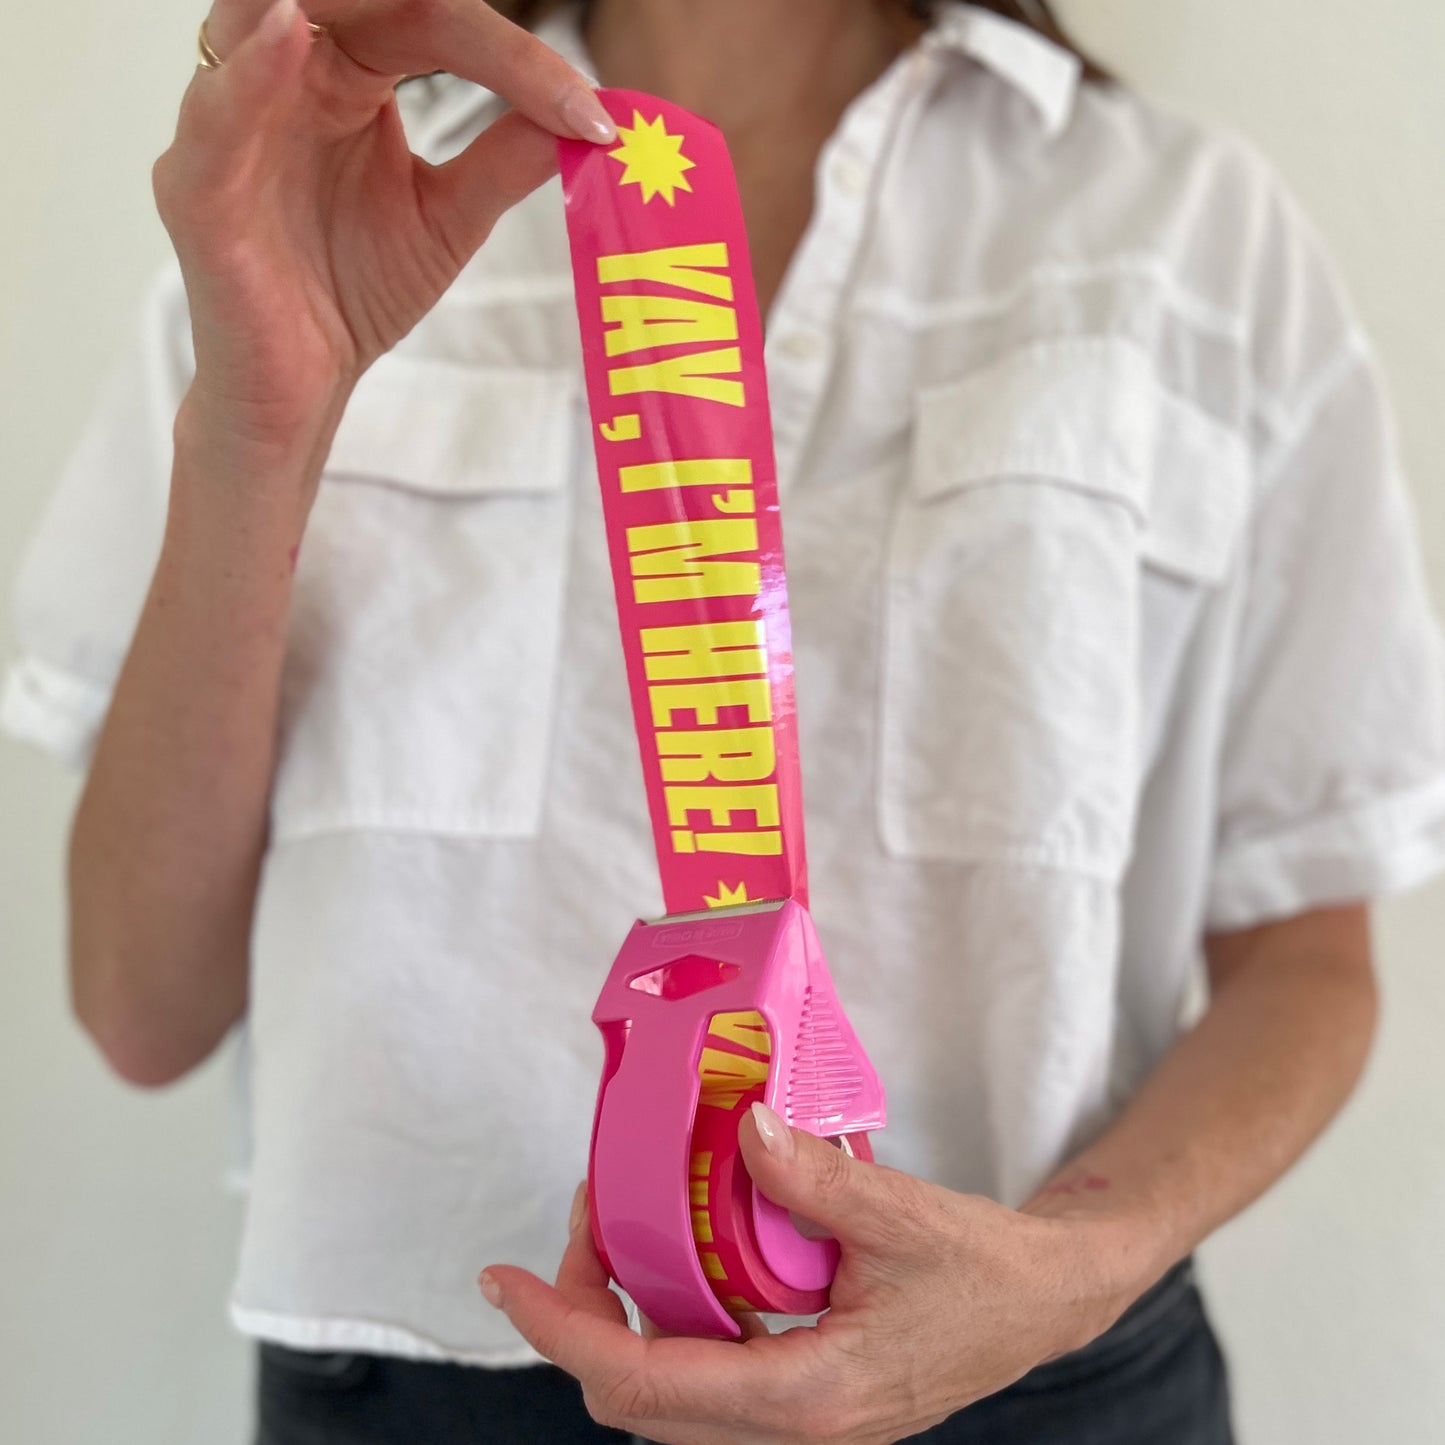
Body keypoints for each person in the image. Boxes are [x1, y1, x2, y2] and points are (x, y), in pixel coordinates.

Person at [5, 0, 1444, 1440]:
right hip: (419, 1377)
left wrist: (1073, 1265)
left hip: (1040, 1374)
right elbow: (140, 1004)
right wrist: (264, 420)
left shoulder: (1185, 230)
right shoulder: (331, 182)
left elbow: (1305, 959)